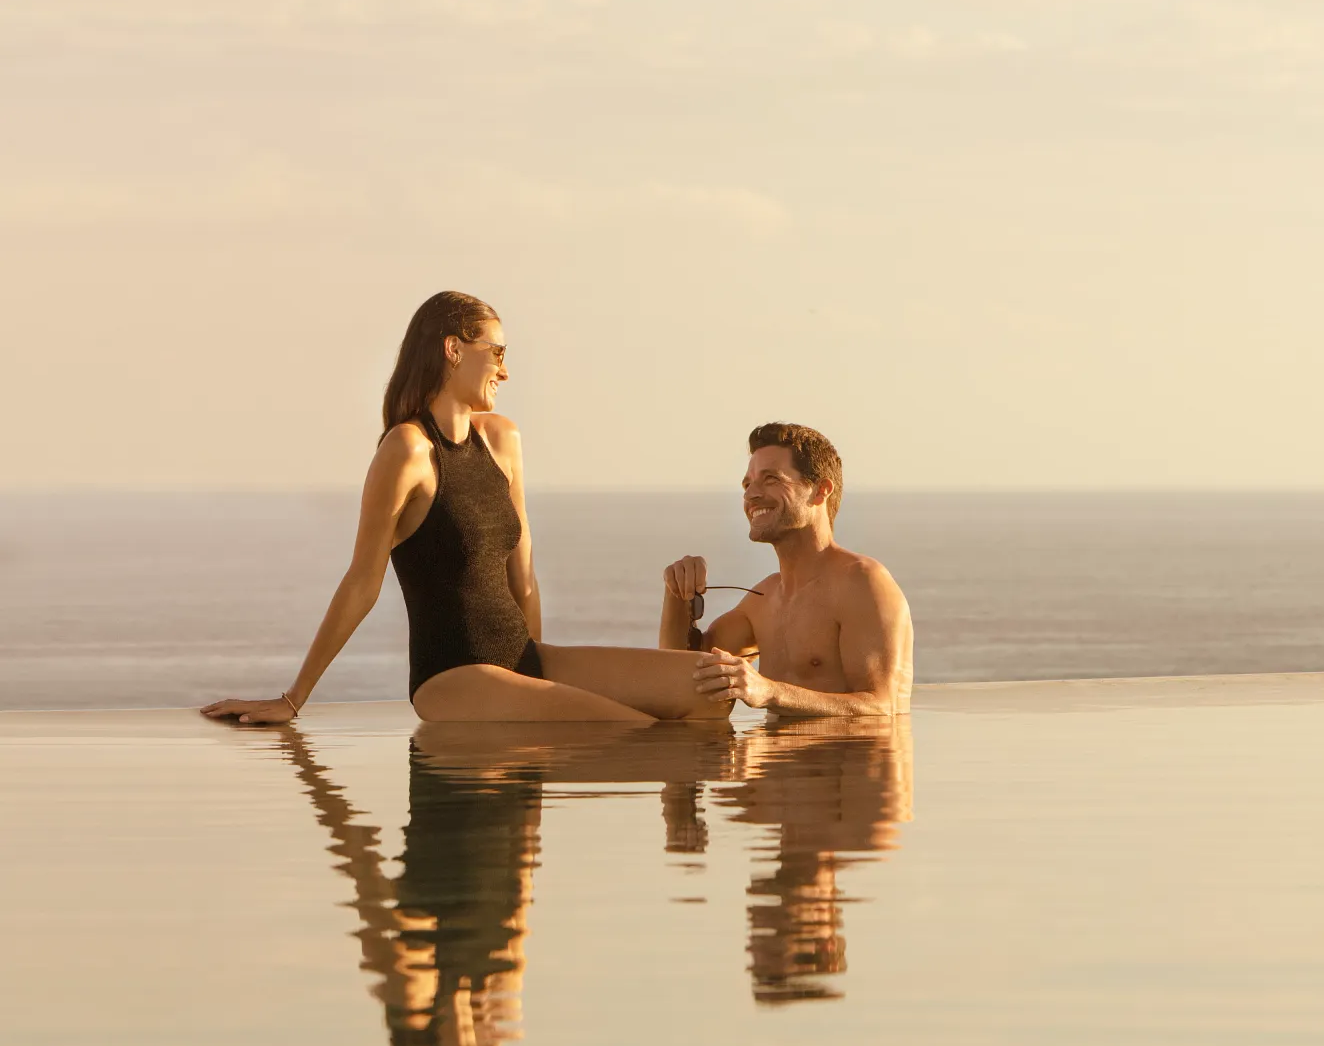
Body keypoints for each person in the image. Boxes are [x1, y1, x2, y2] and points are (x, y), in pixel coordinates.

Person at [202, 291, 731, 724]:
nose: (506, 371)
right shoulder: (407, 450)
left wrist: (534, 681)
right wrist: (293, 698)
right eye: (497, 353)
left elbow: (523, 578)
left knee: (708, 692)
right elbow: (363, 581)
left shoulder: (502, 440)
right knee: (636, 730)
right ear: (453, 349)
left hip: (521, 659)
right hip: (452, 678)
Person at [661, 423, 913, 717]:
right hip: (776, 748)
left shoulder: (862, 582)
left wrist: (769, 692)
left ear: (820, 491)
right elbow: (680, 676)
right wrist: (677, 592)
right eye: (747, 484)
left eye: (771, 479)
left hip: (851, 747)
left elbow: (882, 707)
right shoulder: (764, 599)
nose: (751, 495)